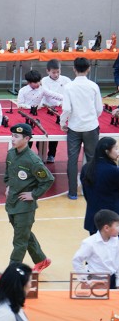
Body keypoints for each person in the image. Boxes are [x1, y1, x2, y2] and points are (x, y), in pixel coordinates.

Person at [4, 124, 54, 275]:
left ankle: (12, 273)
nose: (13, 139)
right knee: (24, 234)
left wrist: (34, 194)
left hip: (25, 207)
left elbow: (48, 180)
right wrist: (8, 186)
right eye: (12, 135)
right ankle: (41, 260)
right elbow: (8, 173)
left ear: (26, 139)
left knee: (19, 241)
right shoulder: (11, 154)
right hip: (12, 203)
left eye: (16, 136)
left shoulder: (33, 160)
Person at [61, 56, 103, 200]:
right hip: (91, 126)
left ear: (74, 69)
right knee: (91, 159)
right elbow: (99, 108)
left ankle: (72, 192)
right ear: (89, 68)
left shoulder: (68, 87)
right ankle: (88, 190)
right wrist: (92, 118)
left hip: (74, 127)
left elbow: (67, 109)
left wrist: (63, 122)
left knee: (72, 160)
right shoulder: (93, 86)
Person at [72, 209, 119, 289]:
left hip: (112, 278)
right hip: (96, 280)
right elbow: (77, 260)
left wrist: (118, 283)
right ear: (106, 228)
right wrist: (84, 279)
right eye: (117, 226)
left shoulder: (116, 240)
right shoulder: (89, 243)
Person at [80, 137, 119, 235]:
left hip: (93, 218)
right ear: (107, 151)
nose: (118, 152)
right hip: (112, 220)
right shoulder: (114, 171)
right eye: (116, 148)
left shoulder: (86, 168)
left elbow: (86, 193)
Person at [40, 59, 70, 162]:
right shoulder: (44, 80)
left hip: (60, 110)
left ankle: (51, 154)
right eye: (53, 72)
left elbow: (70, 93)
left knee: (55, 132)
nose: (56, 74)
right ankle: (40, 154)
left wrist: (63, 103)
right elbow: (48, 95)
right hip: (46, 108)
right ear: (47, 71)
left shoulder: (66, 80)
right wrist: (60, 101)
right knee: (41, 131)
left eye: (58, 72)